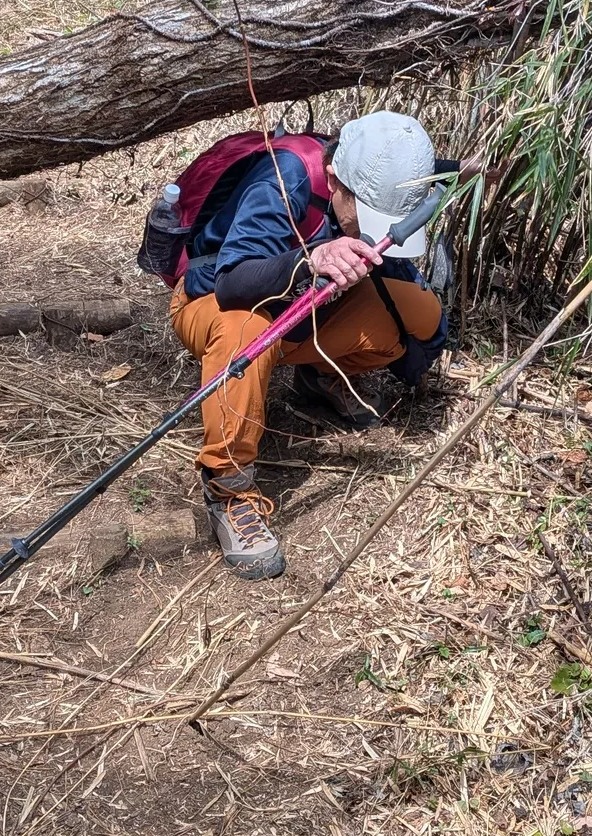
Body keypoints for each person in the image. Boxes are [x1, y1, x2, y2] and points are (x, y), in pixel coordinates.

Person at [169, 111, 445, 579]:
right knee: (246, 334)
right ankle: (228, 489)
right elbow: (233, 282)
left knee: (417, 313)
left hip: (305, 308)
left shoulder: (368, 165)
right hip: (219, 302)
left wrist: (471, 169)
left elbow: (424, 171)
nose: (372, 231)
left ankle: (316, 380)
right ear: (335, 180)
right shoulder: (282, 181)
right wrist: (311, 257)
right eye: (366, 216)